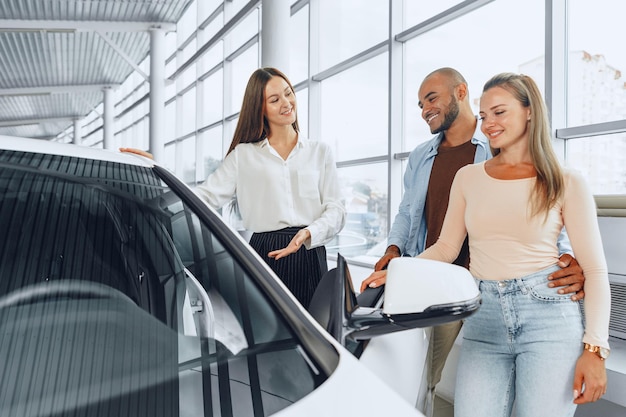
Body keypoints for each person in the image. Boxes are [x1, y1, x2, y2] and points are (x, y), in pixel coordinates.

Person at [364, 72, 610, 416]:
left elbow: (596, 270)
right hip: (484, 314)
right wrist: (399, 271)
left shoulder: (566, 180)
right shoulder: (468, 177)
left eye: (499, 112)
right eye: (484, 116)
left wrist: (595, 349)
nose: (489, 123)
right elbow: (446, 247)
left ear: (529, 112)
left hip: (549, 318)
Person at [124, 67, 346, 309]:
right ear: (260, 109)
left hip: (309, 252)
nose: (286, 103)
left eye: (288, 93)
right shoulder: (244, 156)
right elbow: (203, 197)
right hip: (265, 255)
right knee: (270, 337)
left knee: (316, 337)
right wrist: (156, 170)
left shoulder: (319, 152)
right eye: (274, 99)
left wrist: (309, 232)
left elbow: (336, 209)